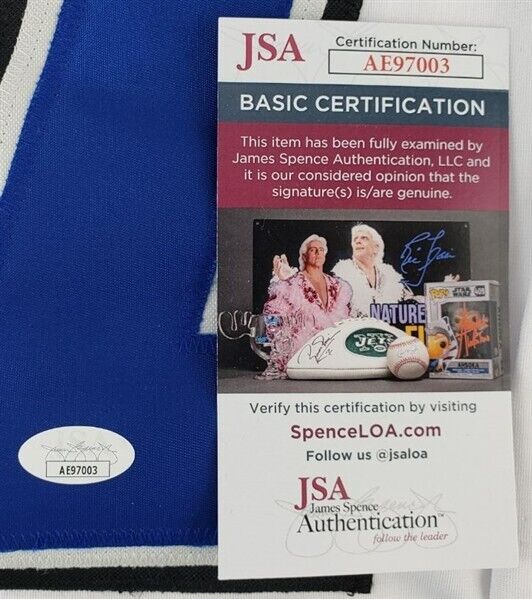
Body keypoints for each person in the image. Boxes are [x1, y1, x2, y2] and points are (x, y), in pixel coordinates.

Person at [263, 235, 352, 374]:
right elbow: (273, 317)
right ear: (304, 256)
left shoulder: (337, 285)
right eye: (313, 249)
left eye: (321, 250)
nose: (317, 253)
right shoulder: (292, 283)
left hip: (333, 357)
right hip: (302, 357)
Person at [332, 223, 413, 317]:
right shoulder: (341, 275)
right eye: (355, 239)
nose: (358, 241)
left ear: (376, 248)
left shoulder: (390, 276)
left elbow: (410, 301)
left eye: (364, 238)